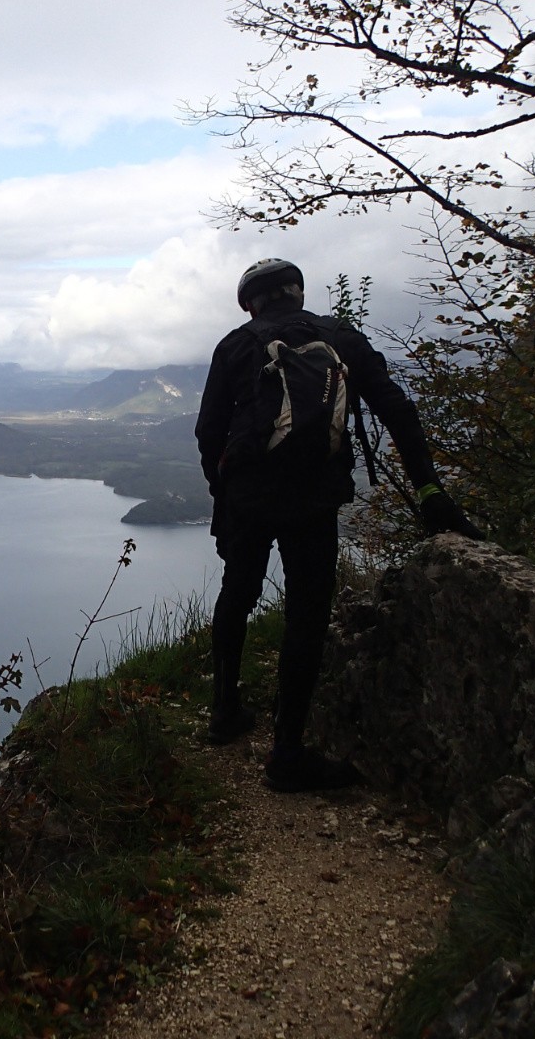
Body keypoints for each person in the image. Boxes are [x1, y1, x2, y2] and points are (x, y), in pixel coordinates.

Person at [195, 258, 482, 792]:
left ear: (250, 303)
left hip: (250, 496)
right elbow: (396, 408)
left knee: (238, 592)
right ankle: (287, 754)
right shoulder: (339, 336)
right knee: (307, 613)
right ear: (297, 294)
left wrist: (223, 495)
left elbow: (208, 432)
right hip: (313, 495)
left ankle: (225, 713)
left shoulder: (235, 345)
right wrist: (429, 491)